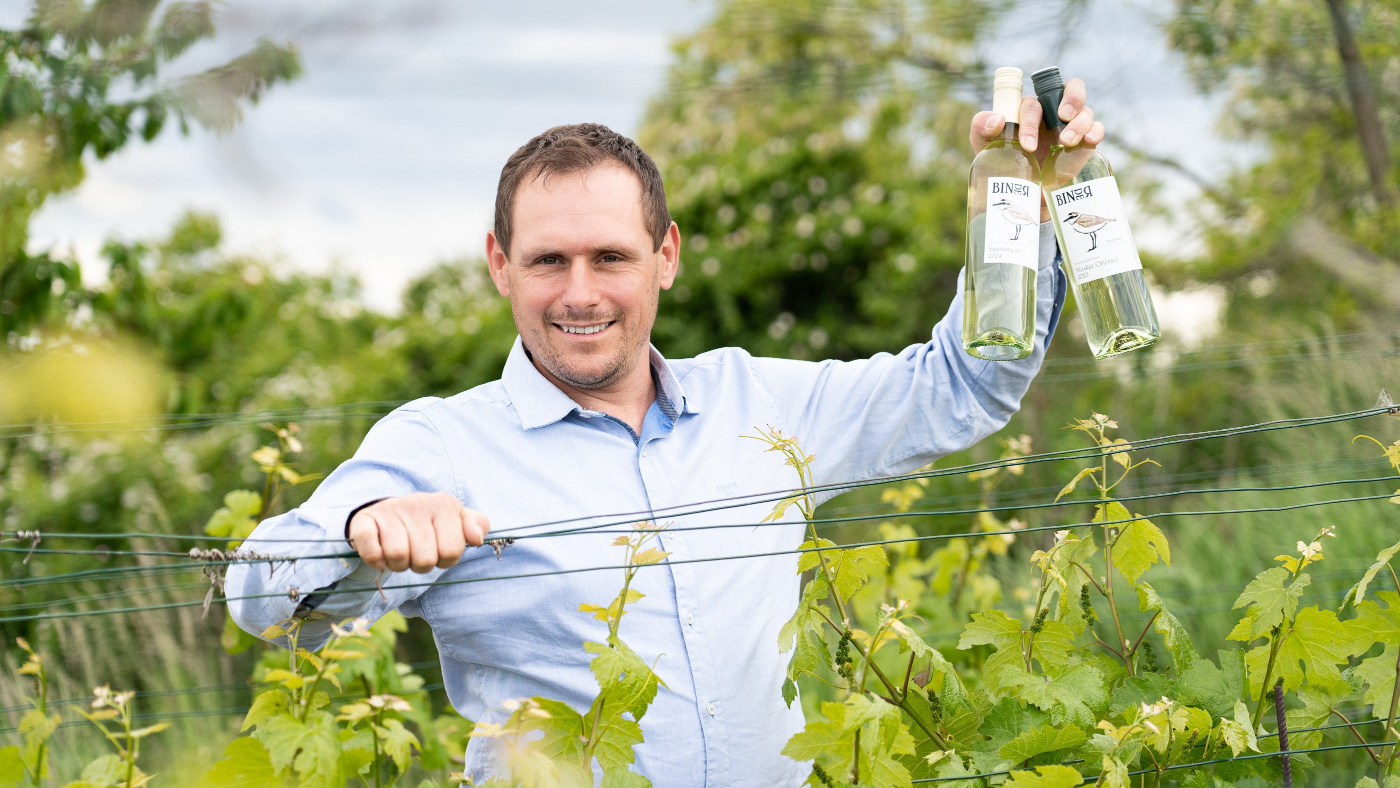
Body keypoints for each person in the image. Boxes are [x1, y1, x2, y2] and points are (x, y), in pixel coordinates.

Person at [227, 79, 1104, 786]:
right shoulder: (442, 445)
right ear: (501, 266)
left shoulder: (759, 403)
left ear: (666, 257)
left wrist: (1022, 202)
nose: (580, 292)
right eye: (546, 261)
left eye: (610, 256)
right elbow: (261, 602)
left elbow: (960, 386)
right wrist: (360, 531)